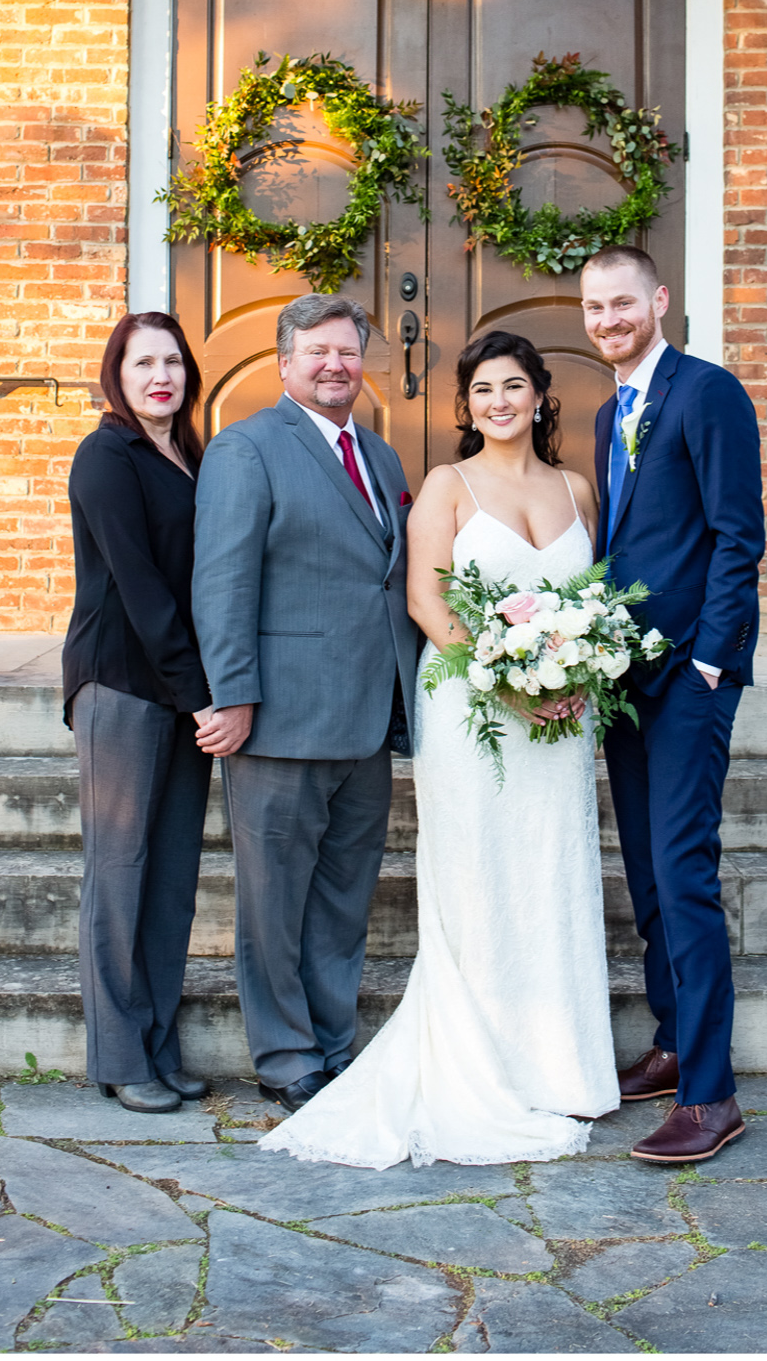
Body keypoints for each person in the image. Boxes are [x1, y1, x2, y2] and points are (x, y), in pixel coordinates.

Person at [262, 331, 620, 1167]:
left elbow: (591, 598)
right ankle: (482, 1067)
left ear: (540, 396)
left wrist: (575, 671)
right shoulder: (447, 489)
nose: (498, 402)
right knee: (479, 874)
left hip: (562, 720)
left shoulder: (577, 488)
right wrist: (505, 680)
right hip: (472, 708)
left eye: (513, 386)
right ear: (467, 406)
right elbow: (424, 597)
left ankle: (558, 1067)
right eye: (483, 390)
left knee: (553, 869)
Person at [191, 293, 421, 1116]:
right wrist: (234, 696)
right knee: (274, 905)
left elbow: (386, 581)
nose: (335, 365)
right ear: (284, 363)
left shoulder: (384, 458)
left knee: (343, 898)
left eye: (348, 351)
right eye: (318, 351)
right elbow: (222, 582)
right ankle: (285, 1056)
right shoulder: (246, 449)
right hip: (278, 720)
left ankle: (331, 1043)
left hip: (365, 719)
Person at [580, 245, 765, 1164]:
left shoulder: (706, 391)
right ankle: (673, 1040)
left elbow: (739, 536)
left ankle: (712, 1093)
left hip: (690, 676)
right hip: (628, 677)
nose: (608, 320)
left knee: (684, 872)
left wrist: (711, 665)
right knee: (648, 875)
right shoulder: (609, 409)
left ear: (659, 298)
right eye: (594, 308)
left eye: (622, 302)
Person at [63, 312, 216, 1114]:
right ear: (116, 376)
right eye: (142, 362)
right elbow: (141, 586)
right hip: (122, 684)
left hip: (182, 687)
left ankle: (159, 1041)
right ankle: (121, 1058)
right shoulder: (106, 455)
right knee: (119, 876)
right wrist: (203, 695)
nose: (161, 375)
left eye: (172, 361)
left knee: (172, 881)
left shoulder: (189, 456)